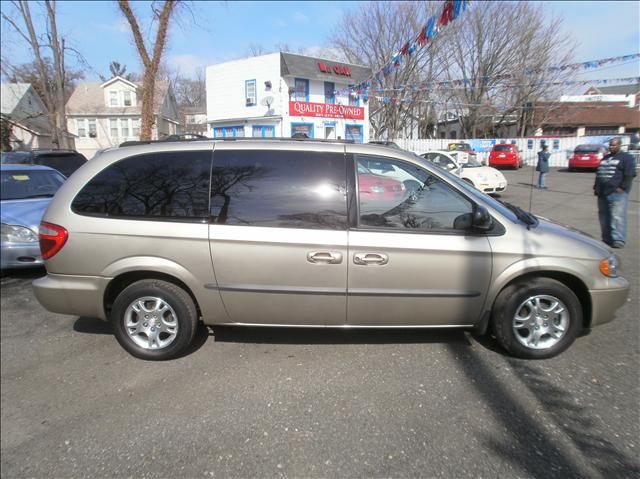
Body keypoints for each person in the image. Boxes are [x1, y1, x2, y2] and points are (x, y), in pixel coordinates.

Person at [594, 138, 636, 248]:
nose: (611, 147)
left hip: (617, 194)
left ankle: (618, 239)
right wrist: (596, 188)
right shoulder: (605, 158)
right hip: (602, 193)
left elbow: (629, 174)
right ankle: (606, 238)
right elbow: (599, 173)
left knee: (617, 217)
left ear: (620, 145)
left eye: (614, 145)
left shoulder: (626, 158)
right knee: (603, 217)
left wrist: (622, 188)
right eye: (610, 145)